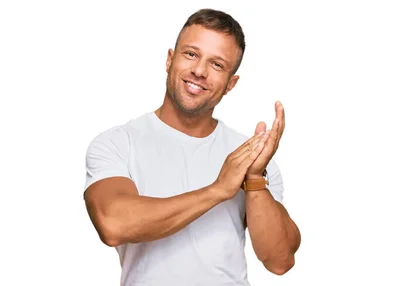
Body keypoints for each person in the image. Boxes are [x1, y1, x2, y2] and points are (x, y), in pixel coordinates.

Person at [82, 8, 301, 286]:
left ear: (231, 84)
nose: (199, 71)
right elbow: (113, 224)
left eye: (217, 64)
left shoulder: (250, 156)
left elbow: (280, 261)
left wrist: (255, 180)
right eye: (191, 54)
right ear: (170, 59)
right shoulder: (118, 143)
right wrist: (218, 190)